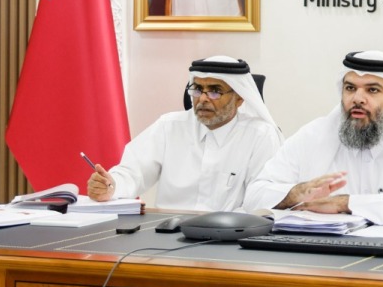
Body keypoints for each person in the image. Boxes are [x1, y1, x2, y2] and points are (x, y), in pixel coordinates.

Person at [246, 51, 383, 225]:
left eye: (372, 90)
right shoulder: (314, 135)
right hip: (324, 258)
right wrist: (297, 193)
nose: (357, 98)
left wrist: (343, 203)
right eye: (350, 88)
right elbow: (254, 196)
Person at [87, 56, 281, 211]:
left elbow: (260, 200)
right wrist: (111, 186)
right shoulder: (170, 126)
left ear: (239, 98)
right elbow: (132, 172)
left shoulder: (261, 136)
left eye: (215, 91)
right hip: (167, 235)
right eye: (197, 89)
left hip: (230, 239)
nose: (203, 99)